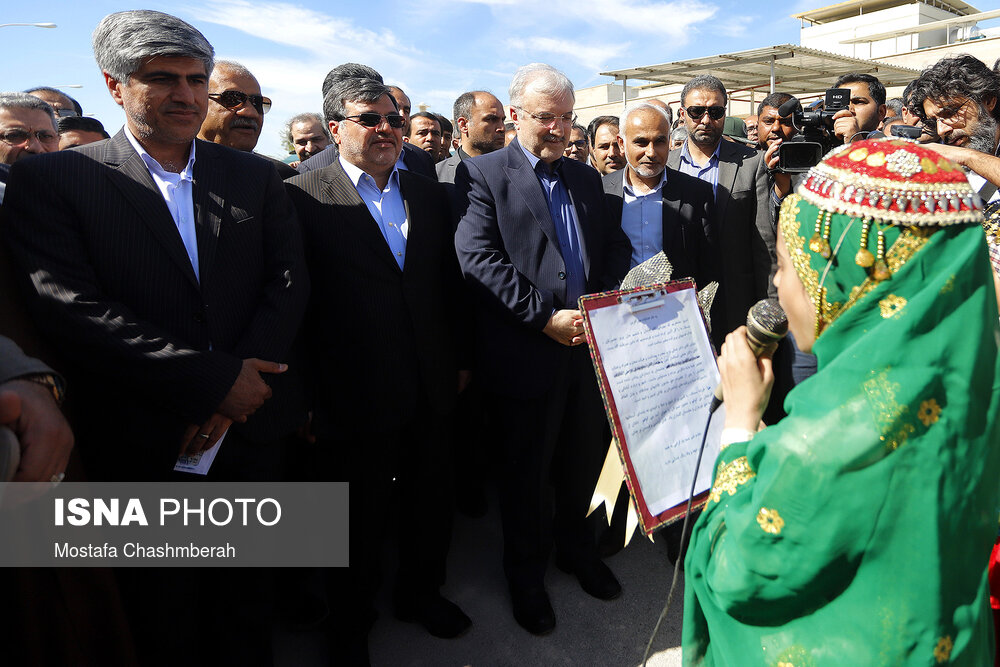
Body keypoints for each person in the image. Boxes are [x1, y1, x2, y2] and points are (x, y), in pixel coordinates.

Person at [1, 11, 309, 663]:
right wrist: (210, 382)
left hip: (250, 433)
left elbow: (287, 281)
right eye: (162, 78)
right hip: (140, 438)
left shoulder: (254, 176)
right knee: (161, 612)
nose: (187, 95)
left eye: (198, 79)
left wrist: (242, 392)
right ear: (114, 86)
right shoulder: (57, 180)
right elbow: (72, 309)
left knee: (247, 606)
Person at [683, 138, 1000, 666]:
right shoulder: (972, 386)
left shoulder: (830, 441)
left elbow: (737, 572)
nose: (779, 288)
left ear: (850, 278)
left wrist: (740, 426)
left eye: (788, 265)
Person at [286, 75, 469, 662]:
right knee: (353, 520)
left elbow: (447, 288)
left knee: (429, 502)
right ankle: (350, 623)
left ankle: (422, 594)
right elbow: (293, 306)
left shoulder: (428, 194)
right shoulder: (301, 196)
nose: (386, 128)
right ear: (335, 128)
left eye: (392, 118)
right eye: (369, 118)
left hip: (430, 387)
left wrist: (459, 362)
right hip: (349, 395)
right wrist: (305, 396)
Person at [454, 62, 631, 636]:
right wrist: (543, 319)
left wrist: (610, 299)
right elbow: (478, 259)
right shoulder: (482, 175)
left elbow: (610, 243)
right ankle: (525, 580)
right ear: (514, 116)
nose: (557, 129)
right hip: (528, 353)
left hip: (588, 352)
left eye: (565, 118)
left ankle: (577, 553)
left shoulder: (582, 177)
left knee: (582, 464)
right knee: (526, 478)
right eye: (544, 118)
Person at [668, 74, 774, 348]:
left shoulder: (751, 163)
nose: (706, 120)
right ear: (682, 114)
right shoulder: (665, 166)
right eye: (696, 111)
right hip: (679, 304)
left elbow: (764, 245)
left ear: (724, 114)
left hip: (736, 301)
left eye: (715, 112)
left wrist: (769, 305)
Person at [197, 60, 297, 178]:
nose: (250, 112)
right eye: (233, 99)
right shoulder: (173, 172)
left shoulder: (282, 178)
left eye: (257, 103)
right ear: (197, 101)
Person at [436, 90, 505, 184]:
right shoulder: (437, 175)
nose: (502, 128)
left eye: (502, 120)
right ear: (464, 125)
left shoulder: (517, 172)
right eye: (491, 119)